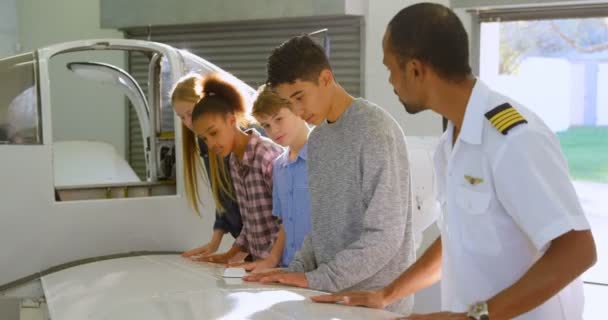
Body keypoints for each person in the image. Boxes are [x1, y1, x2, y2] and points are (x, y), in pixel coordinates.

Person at [312, 3, 597, 320]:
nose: (390, 81)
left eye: (391, 68)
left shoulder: (513, 138)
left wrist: (475, 317)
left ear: (417, 70)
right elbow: (457, 239)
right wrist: (386, 295)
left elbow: (577, 250)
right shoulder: (449, 144)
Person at [245, 35, 416, 315]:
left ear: (325, 78)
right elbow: (322, 227)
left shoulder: (375, 129)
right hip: (329, 298)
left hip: (376, 304)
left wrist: (316, 279)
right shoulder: (319, 140)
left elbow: (385, 237)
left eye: (300, 97)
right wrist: (293, 271)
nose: (298, 110)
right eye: (290, 102)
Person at [190, 72, 283, 264]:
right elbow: (250, 223)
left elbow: (289, 222)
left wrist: (268, 260)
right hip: (261, 267)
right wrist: (231, 254)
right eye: (205, 139)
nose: (211, 144)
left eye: (214, 133)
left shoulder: (267, 156)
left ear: (232, 121)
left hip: (282, 265)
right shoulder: (233, 161)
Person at [232, 84, 312, 272]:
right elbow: (286, 221)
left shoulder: (323, 156)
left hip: (318, 270)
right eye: (266, 125)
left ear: (299, 110)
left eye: (279, 119)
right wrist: (271, 259)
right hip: (287, 268)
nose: (274, 130)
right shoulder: (278, 166)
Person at [171, 74, 243, 260]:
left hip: (254, 244)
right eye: (182, 117)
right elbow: (223, 197)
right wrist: (215, 241)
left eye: (190, 113)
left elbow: (254, 208)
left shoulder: (231, 143)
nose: (188, 122)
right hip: (245, 242)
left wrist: (236, 252)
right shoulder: (205, 143)